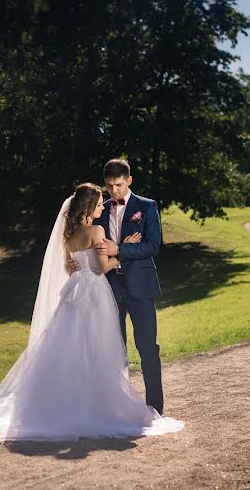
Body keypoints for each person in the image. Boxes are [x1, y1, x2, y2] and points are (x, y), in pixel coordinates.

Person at [0, 183, 183, 441]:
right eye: (97, 203)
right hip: (94, 292)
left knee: (70, 346)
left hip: (74, 292)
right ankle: (95, 404)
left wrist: (85, 263)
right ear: (88, 207)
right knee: (96, 348)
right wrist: (125, 250)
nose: (101, 207)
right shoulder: (97, 230)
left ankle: (69, 401)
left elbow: (70, 266)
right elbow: (103, 268)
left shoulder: (68, 235)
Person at [92, 158, 166, 415]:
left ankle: (155, 408)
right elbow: (94, 249)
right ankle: (118, 409)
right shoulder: (99, 211)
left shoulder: (146, 207)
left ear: (129, 181)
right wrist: (122, 248)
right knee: (114, 350)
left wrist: (120, 249)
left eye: (120, 185)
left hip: (141, 287)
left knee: (147, 348)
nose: (115, 191)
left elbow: (153, 245)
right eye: (110, 186)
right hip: (109, 287)